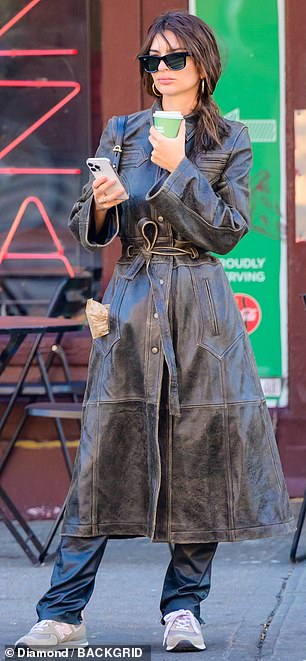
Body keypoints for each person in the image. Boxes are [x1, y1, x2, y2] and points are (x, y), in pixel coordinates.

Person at [15, 10, 294, 654]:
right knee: (103, 455)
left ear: (202, 63)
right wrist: (105, 202)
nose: (160, 71)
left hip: (202, 307)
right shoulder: (121, 131)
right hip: (133, 301)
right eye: (151, 61)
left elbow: (226, 230)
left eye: (172, 59)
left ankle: (183, 609)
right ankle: (62, 611)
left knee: (200, 454)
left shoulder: (231, 137)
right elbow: (90, 225)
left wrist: (179, 171)